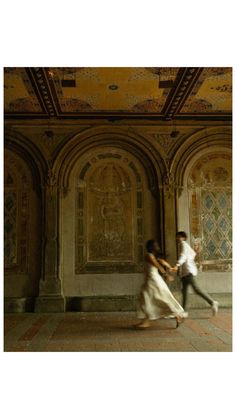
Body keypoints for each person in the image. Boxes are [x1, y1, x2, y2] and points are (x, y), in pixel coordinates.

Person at [136, 239, 186, 329]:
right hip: (152, 280)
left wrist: (167, 273)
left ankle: (177, 314)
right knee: (148, 298)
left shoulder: (149, 256)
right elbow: (162, 262)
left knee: (156, 298)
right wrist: (170, 268)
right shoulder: (152, 256)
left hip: (153, 280)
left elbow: (157, 265)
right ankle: (146, 321)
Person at [172, 231, 219, 316]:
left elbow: (183, 256)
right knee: (185, 291)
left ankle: (212, 302)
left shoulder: (183, 244)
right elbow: (192, 255)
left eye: (179, 236)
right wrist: (195, 251)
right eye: (176, 236)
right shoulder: (184, 246)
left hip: (189, 272)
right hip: (186, 273)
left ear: (183, 238)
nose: (177, 238)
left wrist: (177, 265)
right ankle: (184, 311)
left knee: (195, 290)